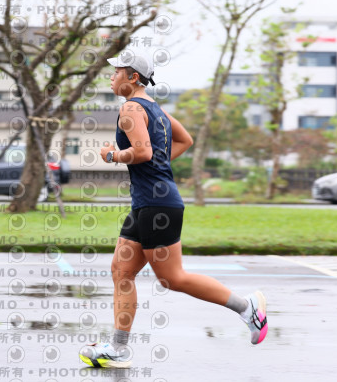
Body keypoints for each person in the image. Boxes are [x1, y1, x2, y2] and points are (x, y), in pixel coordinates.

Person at [78, 53, 268, 368]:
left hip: (157, 205)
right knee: (122, 271)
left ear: (133, 77)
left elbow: (142, 152)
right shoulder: (156, 110)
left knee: (172, 278)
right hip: (149, 202)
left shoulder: (131, 108)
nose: (110, 77)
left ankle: (247, 308)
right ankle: (118, 348)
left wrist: (112, 156)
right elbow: (185, 140)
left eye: (117, 72)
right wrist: (157, 166)